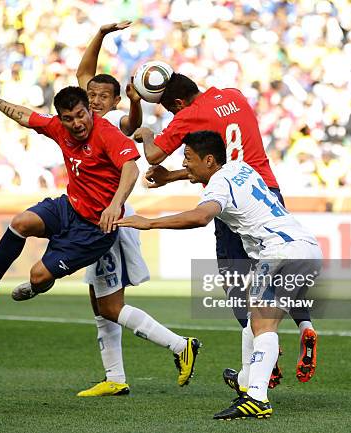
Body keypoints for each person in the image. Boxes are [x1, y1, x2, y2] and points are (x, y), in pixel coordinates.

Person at [0, 84, 200, 389]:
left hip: (98, 228)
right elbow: (25, 116)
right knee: (22, 222)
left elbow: (131, 169)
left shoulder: (109, 130)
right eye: (69, 118)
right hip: (69, 208)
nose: (77, 123)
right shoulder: (61, 128)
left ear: (94, 109)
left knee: (70, 289)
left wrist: (114, 204)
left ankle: (173, 348)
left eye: (82, 114)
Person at [117, 131, 322, 420]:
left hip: (278, 251)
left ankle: (257, 397)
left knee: (263, 324)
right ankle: (246, 380)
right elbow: (203, 177)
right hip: (307, 247)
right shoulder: (240, 166)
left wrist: (149, 223)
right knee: (256, 320)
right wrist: (173, 177)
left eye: (188, 158)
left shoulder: (218, 187)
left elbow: (201, 216)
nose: (185, 164)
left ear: (209, 160)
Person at [134, 72, 317, 385]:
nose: (175, 117)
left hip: (231, 201)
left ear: (178, 102)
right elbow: (225, 158)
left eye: (172, 111)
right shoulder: (233, 95)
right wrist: (175, 177)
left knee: (237, 286)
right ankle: (305, 327)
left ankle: (262, 365)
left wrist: (148, 133)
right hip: (266, 189)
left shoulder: (189, 115)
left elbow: (155, 155)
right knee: (282, 270)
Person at [73, 21, 157, 397]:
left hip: (110, 213)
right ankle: (114, 378)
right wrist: (102, 34)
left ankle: (179, 345)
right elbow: (83, 73)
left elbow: (132, 124)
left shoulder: (111, 123)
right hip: (90, 213)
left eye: (103, 97)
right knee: (96, 297)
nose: (94, 101)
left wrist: (136, 102)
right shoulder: (82, 117)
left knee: (109, 300)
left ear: (114, 101)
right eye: (91, 96)